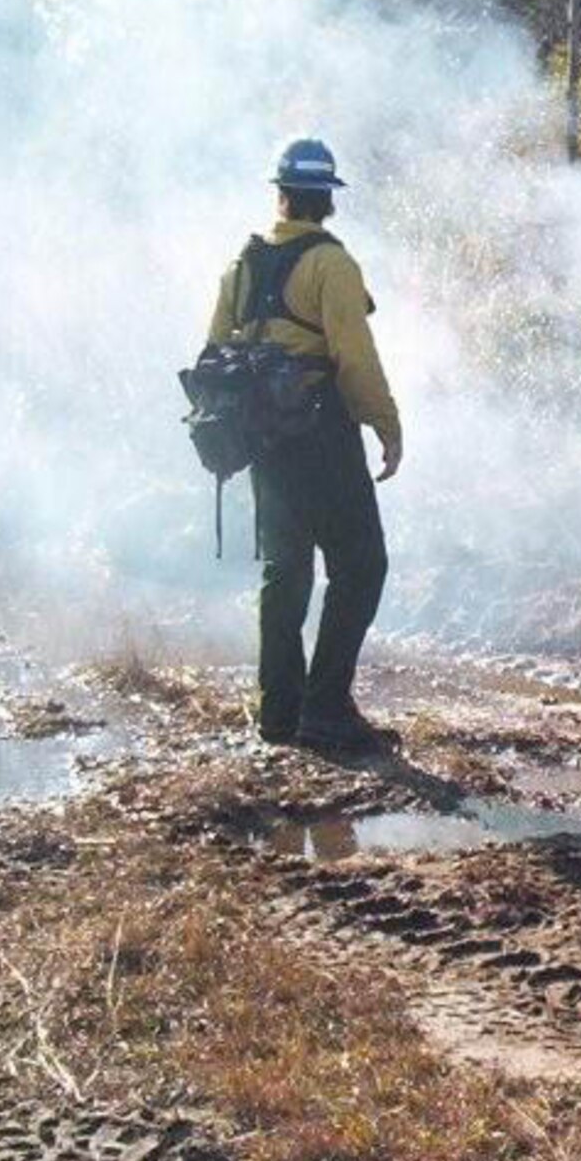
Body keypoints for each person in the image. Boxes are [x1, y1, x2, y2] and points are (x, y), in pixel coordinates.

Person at [206, 138, 403, 756]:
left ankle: (279, 713)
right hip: (321, 435)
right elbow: (354, 358)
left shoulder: (242, 266)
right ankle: (325, 708)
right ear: (329, 202)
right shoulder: (332, 265)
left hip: (266, 439)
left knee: (284, 570)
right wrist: (386, 425)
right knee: (362, 563)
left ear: (283, 195)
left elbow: (215, 351)